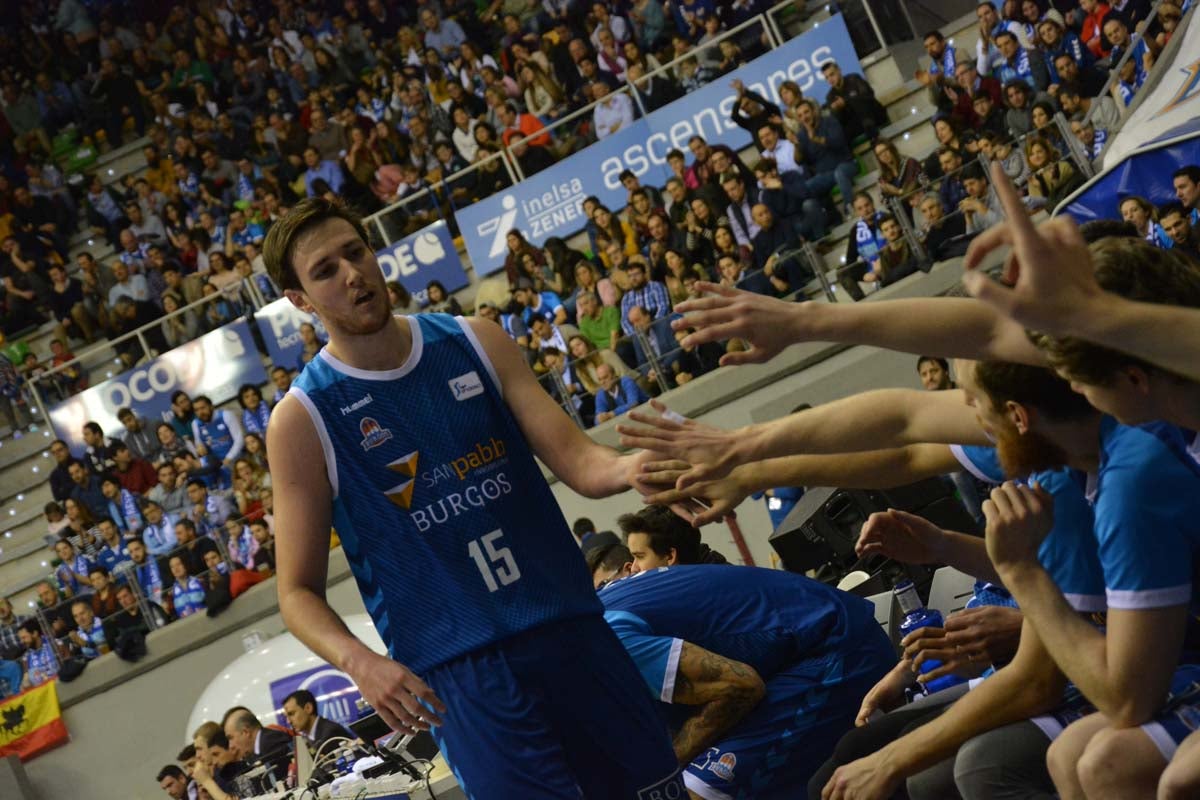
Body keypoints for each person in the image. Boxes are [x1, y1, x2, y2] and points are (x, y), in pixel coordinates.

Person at [261, 197, 686, 796]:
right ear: (299, 300)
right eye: (324, 270)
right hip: (461, 673)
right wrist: (363, 665)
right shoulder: (303, 419)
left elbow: (583, 463)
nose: (351, 274)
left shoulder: (475, 341)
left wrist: (639, 466)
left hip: (570, 627)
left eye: (355, 253)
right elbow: (295, 593)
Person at [591, 547, 894, 799]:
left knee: (685, 792)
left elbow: (739, 687)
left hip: (836, 648)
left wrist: (664, 767)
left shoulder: (604, 642)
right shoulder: (589, 617)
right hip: (803, 643)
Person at [282, 689, 355, 757]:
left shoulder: (330, 733)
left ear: (308, 708)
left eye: (291, 714)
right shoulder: (307, 739)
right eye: (286, 716)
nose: (288, 721)